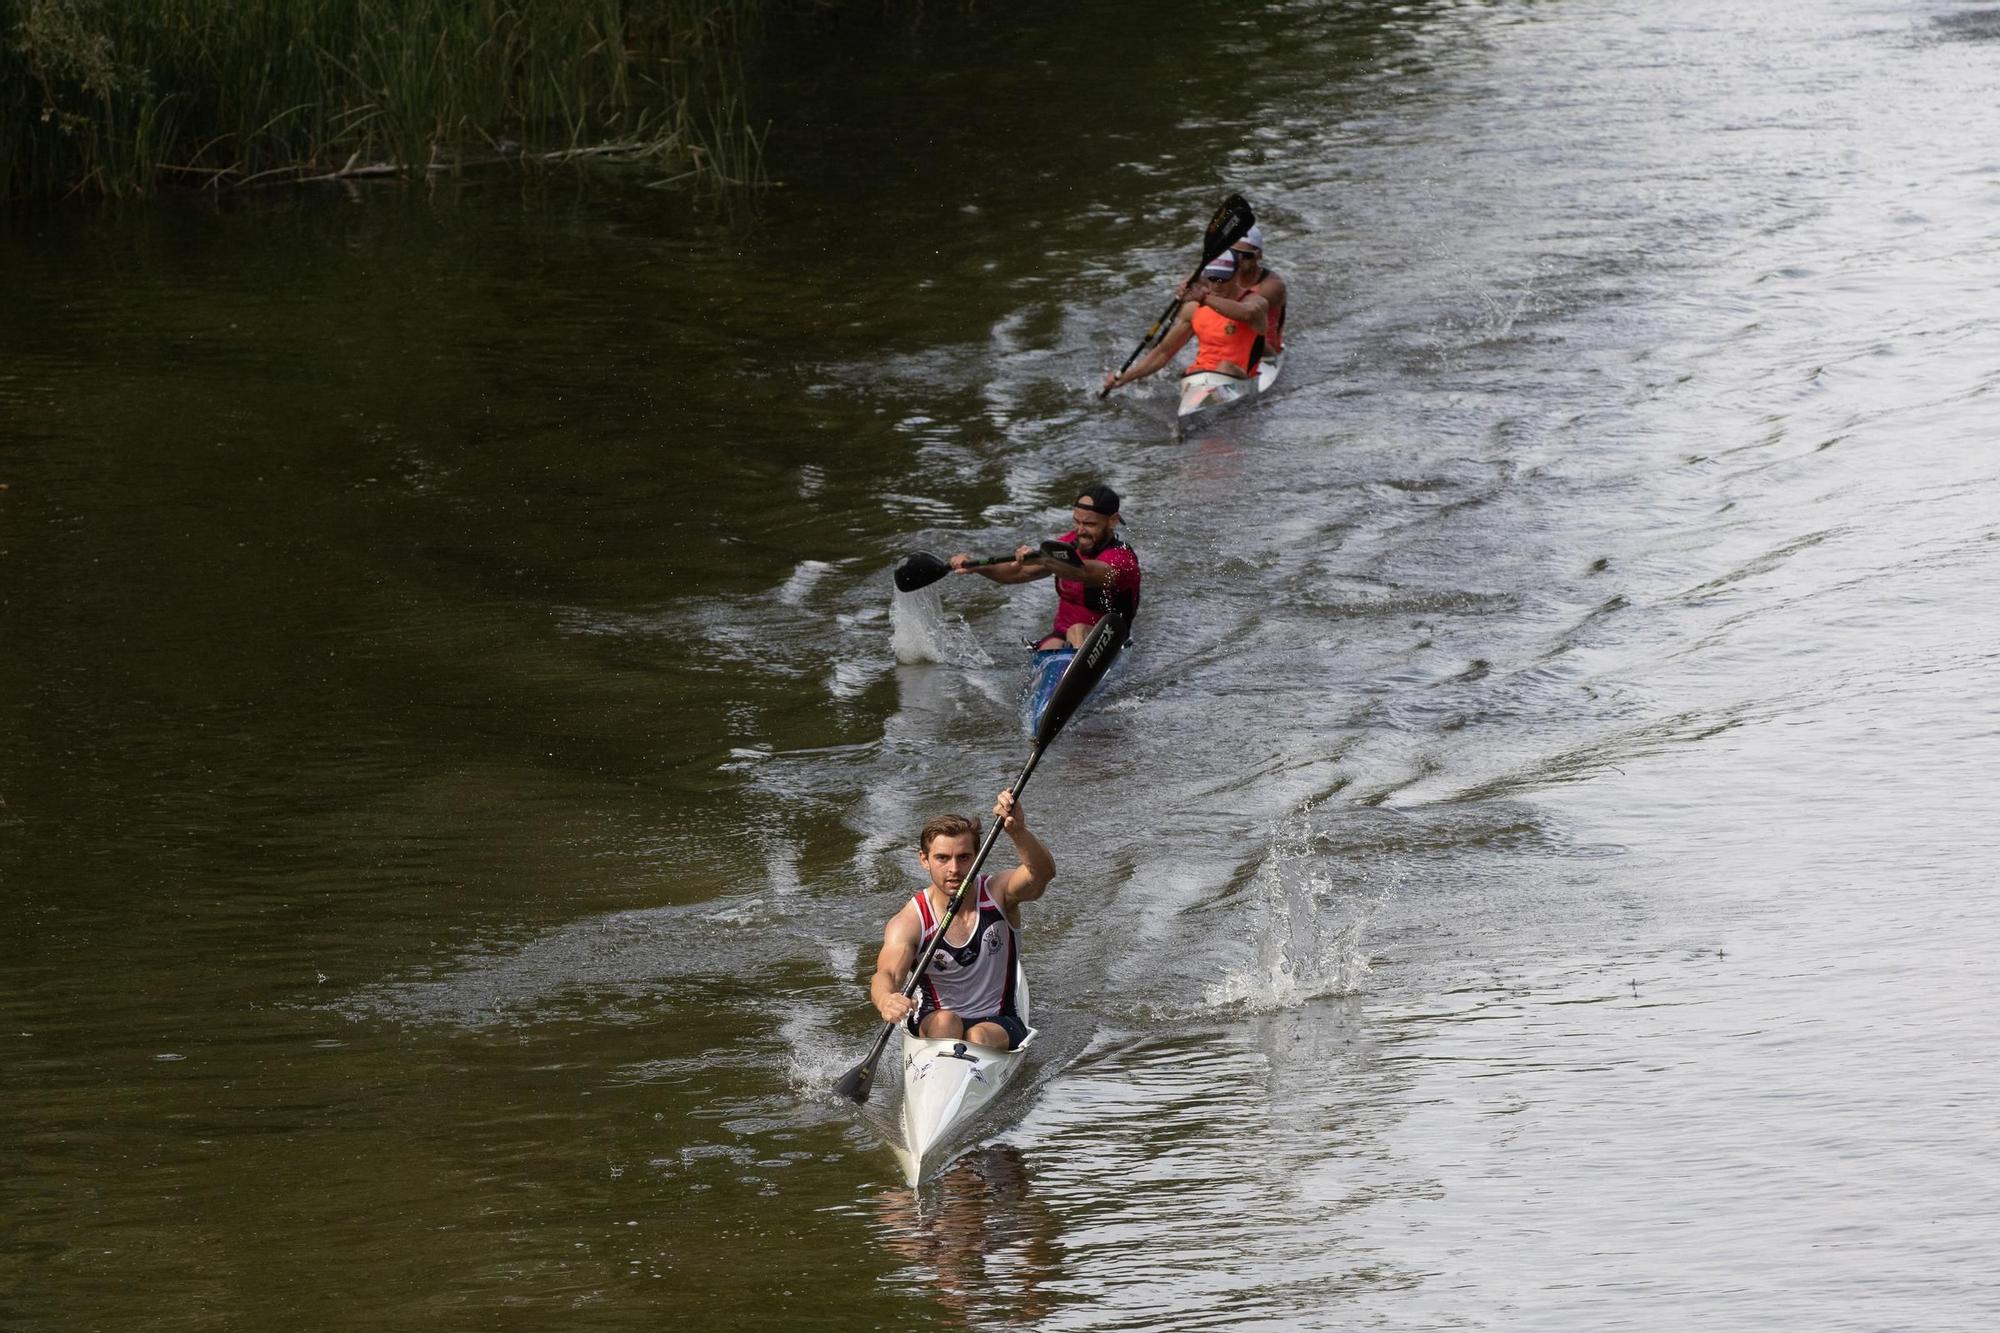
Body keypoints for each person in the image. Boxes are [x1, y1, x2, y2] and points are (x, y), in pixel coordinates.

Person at [869, 791, 1053, 1050]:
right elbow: (886, 973)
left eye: (964, 857)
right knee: (947, 1022)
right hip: (936, 1021)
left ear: (977, 857)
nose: (954, 869)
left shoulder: (999, 893)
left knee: (978, 1037)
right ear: (924, 860)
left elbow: (1042, 875)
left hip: (999, 1022)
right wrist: (886, 999)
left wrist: (1018, 831)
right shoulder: (911, 920)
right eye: (942, 858)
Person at [946, 484, 1140, 650]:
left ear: (1113, 521)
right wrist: (977, 567)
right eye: (1077, 521)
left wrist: (1043, 559)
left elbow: (1083, 572)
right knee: (1050, 646)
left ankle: (1072, 681)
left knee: (1077, 631)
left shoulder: (1122, 558)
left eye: (1089, 524)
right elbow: (1016, 573)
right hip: (1062, 635)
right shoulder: (1068, 544)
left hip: (1110, 639)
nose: (1080, 531)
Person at [1099, 246, 1270, 394]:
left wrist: (1203, 298)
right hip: (1200, 377)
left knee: (1225, 366)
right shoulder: (1193, 309)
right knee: (1191, 373)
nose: (1217, 285)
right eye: (1213, 278)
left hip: (1240, 377)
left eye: (1223, 278)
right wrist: (1127, 377)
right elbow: (1163, 353)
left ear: (1238, 272)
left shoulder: (1255, 303)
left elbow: (1247, 314)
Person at [1231, 223, 1287, 359]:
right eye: (1234, 254)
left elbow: (1245, 313)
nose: (1239, 260)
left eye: (1246, 256)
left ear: (1259, 255)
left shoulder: (1272, 286)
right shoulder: (1220, 278)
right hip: (1230, 344)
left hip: (1264, 352)